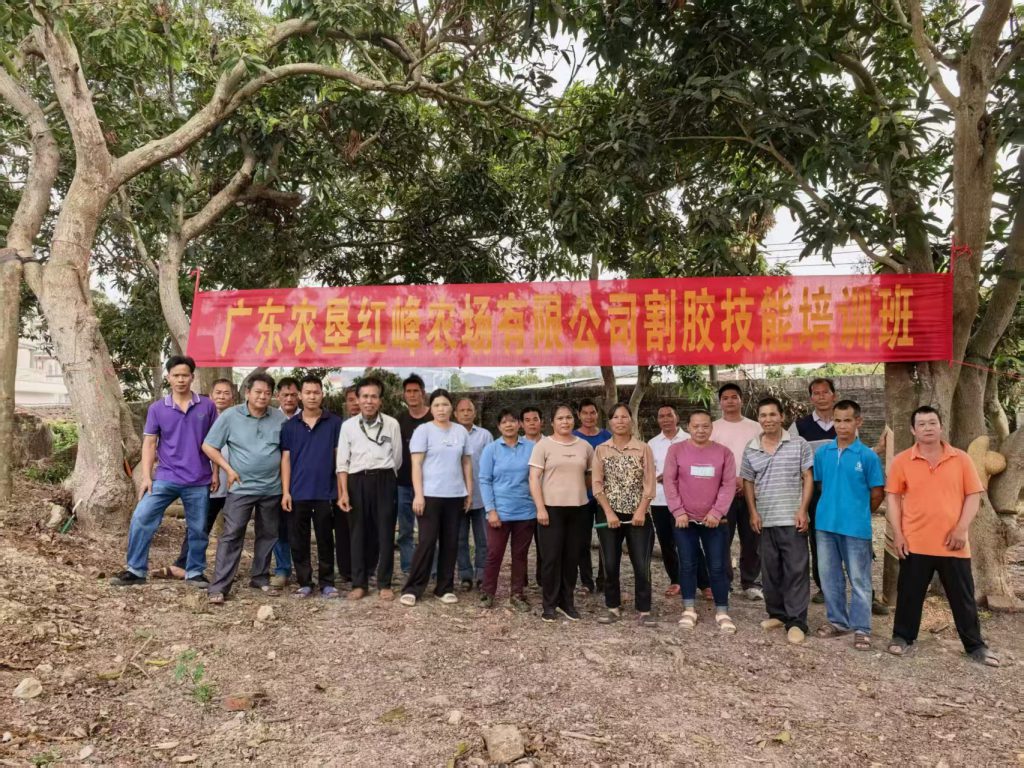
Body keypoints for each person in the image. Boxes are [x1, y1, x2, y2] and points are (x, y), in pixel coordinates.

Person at [885, 406, 999, 666]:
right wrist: (898, 534)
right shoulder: (902, 461)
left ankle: (975, 645)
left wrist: (961, 529)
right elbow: (893, 499)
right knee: (909, 594)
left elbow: (973, 496)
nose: (927, 428)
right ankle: (902, 636)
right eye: (922, 424)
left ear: (941, 426)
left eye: (932, 423)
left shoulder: (961, 459)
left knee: (963, 598)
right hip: (914, 542)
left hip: (953, 544)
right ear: (913, 430)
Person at [111, 356, 218, 588]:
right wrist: (146, 477)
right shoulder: (158, 408)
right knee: (141, 517)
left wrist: (215, 473)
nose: (181, 380)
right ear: (168, 377)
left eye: (185, 375)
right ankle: (135, 570)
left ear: (192, 377)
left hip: (198, 478)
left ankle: (195, 572)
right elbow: (149, 444)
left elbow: (214, 443)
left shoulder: (207, 406)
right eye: (176, 375)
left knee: (198, 528)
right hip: (165, 477)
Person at [203, 373, 288, 604]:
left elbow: (286, 453)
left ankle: (259, 577)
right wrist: (228, 469)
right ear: (247, 393)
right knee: (232, 535)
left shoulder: (279, 418)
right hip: (241, 487)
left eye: (267, 393)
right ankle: (219, 586)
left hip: (272, 488)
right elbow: (209, 446)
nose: (262, 396)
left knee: (268, 534)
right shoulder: (231, 416)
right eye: (258, 392)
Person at [741, 397, 814, 644]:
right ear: (758, 419)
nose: (768, 419)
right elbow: (748, 481)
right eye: (763, 415)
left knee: (796, 570)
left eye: (773, 414)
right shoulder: (751, 447)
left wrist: (803, 510)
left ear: (782, 417)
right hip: (765, 519)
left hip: (792, 518)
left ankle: (797, 621)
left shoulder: (799, 444)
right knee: (770, 571)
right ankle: (778, 615)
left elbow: (807, 477)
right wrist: (753, 512)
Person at [813, 399, 884, 649]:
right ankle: (838, 621)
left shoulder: (868, 456)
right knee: (829, 577)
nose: (842, 426)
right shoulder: (823, 453)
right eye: (838, 420)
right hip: (825, 526)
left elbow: (877, 492)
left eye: (847, 420)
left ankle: (862, 628)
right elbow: (820, 484)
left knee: (859, 579)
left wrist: (859, 512)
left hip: (855, 528)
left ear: (858, 422)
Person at [664, 409, 737, 633]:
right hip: (684, 521)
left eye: (705, 426)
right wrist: (678, 511)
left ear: (712, 427)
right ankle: (688, 609)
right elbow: (669, 481)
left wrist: (717, 512)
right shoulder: (676, 450)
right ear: (688, 427)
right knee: (687, 564)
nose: (700, 430)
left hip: (714, 522)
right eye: (696, 426)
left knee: (718, 565)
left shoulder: (724, 453)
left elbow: (728, 485)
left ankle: (722, 611)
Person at [400, 389, 473, 606]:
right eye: (437, 405)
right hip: (430, 495)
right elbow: (416, 465)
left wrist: (469, 492)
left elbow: (466, 463)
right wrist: (418, 495)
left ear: (452, 408)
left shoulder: (460, 431)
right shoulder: (424, 431)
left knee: (451, 542)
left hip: (455, 495)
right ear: (430, 408)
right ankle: (413, 588)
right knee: (427, 541)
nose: (441, 409)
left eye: (445, 405)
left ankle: (444, 587)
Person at [592, 403, 657, 626]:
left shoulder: (643, 448)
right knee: (610, 564)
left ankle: (644, 609)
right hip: (609, 515)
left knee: (642, 564)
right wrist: (609, 512)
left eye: (624, 417)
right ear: (609, 422)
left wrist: (641, 510)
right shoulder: (601, 449)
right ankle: (612, 607)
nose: (620, 421)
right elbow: (597, 484)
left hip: (638, 516)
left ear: (631, 420)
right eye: (615, 417)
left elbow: (649, 484)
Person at [338, 376, 402, 600]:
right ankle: (359, 583)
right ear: (357, 399)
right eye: (364, 396)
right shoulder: (348, 426)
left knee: (385, 532)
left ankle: (384, 583)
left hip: (385, 480)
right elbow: (342, 463)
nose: (369, 401)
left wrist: (385, 477)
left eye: (373, 397)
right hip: (357, 481)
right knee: (357, 533)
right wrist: (344, 492)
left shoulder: (392, 424)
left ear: (380, 400)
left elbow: (397, 458)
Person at [529, 403, 594, 622]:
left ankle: (567, 602)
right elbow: (534, 478)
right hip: (551, 509)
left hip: (579, 509)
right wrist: (540, 507)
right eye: (560, 418)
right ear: (551, 422)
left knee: (571, 558)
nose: (565, 422)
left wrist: (575, 490)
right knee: (551, 558)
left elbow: (589, 477)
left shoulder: (585, 446)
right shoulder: (543, 446)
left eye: (568, 417)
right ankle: (549, 604)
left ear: (574, 420)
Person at [280, 376, 344, 598]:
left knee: (325, 538)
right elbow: (286, 460)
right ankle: (305, 581)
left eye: (316, 392)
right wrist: (286, 492)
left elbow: (339, 459)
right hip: (298, 492)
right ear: (300, 395)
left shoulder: (335, 423)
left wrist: (340, 491)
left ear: (322, 394)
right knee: (299, 540)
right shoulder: (290, 426)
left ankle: (327, 582)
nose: (312, 396)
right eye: (307, 392)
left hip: (326, 492)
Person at [166, 378, 235, 580]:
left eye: (226, 393)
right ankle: (183, 564)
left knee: (233, 530)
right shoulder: (201, 417)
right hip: (207, 482)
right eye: (218, 393)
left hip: (234, 483)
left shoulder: (238, 418)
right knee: (199, 525)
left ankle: (226, 571)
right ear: (211, 396)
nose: (222, 397)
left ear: (233, 397)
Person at [711, 382, 765, 600]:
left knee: (752, 538)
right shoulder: (713, 428)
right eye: (725, 398)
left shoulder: (756, 427)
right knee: (722, 538)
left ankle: (751, 582)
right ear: (720, 402)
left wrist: (746, 480)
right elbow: (708, 459)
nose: (730, 401)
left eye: (734, 397)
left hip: (752, 489)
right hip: (722, 492)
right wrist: (729, 481)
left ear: (741, 400)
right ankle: (724, 582)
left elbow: (764, 456)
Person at [478, 409, 536, 611]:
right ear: (499, 426)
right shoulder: (491, 449)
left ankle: (517, 594)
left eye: (512, 421)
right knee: (494, 553)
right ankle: (487, 592)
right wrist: (491, 510)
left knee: (520, 555)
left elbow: (536, 478)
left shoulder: (531, 448)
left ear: (519, 424)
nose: (509, 425)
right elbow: (484, 480)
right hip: (499, 512)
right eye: (504, 422)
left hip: (526, 511)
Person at [789, 377, 837, 603]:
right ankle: (823, 586)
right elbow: (790, 456)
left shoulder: (844, 421)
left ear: (833, 395)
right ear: (811, 398)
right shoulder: (799, 426)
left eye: (825, 392)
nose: (821, 397)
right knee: (819, 537)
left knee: (850, 535)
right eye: (816, 393)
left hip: (842, 489)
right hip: (814, 490)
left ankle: (864, 589)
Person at [647, 404, 688, 597]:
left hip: (686, 500)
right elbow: (648, 472)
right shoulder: (652, 444)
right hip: (660, 501)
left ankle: (703, 582)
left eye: (669, 415)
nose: (665, 419)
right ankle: (676, 580)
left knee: (688, 541)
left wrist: (674, 475)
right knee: (666, 543)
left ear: (676, 417)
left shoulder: (689, 439)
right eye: (661, 416)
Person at [454, 398, 493, 590]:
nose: (466, 413)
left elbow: (492, 464)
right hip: (456, 496)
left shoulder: (485, 435)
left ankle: (482, 574)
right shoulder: (450, 434)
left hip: (481, 496)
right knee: (460, 539)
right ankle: (465, 576)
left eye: (469, 410)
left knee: (483, 539)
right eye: (462, 410)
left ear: (475, 413)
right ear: (455, 414)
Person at [396, 374, 432, 576]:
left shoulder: (433, 418)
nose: (412, 395)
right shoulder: (398, 420)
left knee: (430, 530)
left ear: (423, 393)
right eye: (408, 391)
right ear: (404, 394)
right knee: (405, 531)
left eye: (415, 391)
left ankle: (432, 570)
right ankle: (408, 569)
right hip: (403, 483)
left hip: (431, 484)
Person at [573, 398, 610, 593]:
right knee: (582, 541)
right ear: (579, 415)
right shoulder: (573, 437)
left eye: (592, 412)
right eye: (585, 413)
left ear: (597, 414)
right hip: (582, 497)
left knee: (606, 539)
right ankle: (586, 581)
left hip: (605, 497)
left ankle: (604, 580)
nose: (589, 416)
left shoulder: (607, 436)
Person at [270, 376, 300, 588]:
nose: (289, 399)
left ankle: (304, 568)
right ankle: (282, 569)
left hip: (302, 480)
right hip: (274, 481)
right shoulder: (270, 417)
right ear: (277, 396)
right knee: (278, 526)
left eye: (293, 395)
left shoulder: (308, 418)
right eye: (285, 395)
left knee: (300, 527)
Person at [520, 405, 545, 586]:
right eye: (527, 420)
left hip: (546, 502)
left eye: (535, 419)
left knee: (544, 545)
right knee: (521, 546)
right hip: (523, 502)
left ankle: (543, 580)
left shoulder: (550, 443)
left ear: (541, 422)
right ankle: (520, 581)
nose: (531, 423)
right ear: (521, 424)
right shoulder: (517, 445)